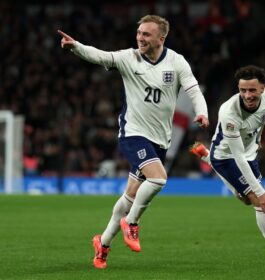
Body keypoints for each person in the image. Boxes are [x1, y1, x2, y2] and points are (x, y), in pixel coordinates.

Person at [58, 15, 209, 269]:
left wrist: (202, 111)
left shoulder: (176, 62)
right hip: (133, 133)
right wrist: (77, 47)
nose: (140, 38)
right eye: (139, 33)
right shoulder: (130, 58)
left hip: (161, 139)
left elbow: (193, 89)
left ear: (161, 38)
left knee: (130, 196)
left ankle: (103, 244)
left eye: (146, 34)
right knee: (159, 179)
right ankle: (133, 223)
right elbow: (102, 56)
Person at [191, 65, 265, 269]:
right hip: (226, 156)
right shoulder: (229, 112)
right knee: (258, 201)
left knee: (246, 200)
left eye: (252, 90)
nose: (247, 95)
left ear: (263, 89)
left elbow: (261, 120)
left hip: (250, 150)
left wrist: (259, 137)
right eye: (243, 90)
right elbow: (237, 157)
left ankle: (204, 156)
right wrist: (261, 191)